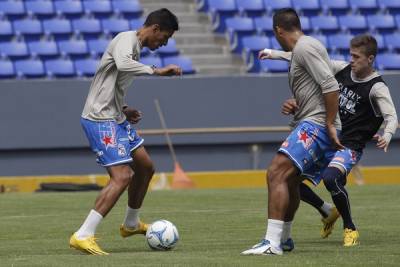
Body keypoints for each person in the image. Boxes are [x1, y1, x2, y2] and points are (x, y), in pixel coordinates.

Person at [69, 8, 182, 255]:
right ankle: (83, 234)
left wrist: (124, 108)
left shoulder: (136, 47)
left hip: (115, 117)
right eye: (164, 37)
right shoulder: (125, 40)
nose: (163, 43)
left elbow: (112, 82)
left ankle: (131, 224)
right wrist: (157, 70)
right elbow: (123, 64)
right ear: (155, 28)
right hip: (100, 120)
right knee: (122, 176)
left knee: (145, 167)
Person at [268, 34, 398, 247]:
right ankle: (327, 210)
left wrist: (387, 134)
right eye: (351, 55)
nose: (352, 60)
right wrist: (274, 54)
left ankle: (350, 228)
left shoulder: (377, 87)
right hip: (328, 138)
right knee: (289, 179)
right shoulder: (342, 69)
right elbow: (307, 56)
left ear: (370, 59)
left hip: (350, 145)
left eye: (357, 56)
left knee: (331, 178)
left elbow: (391, 116)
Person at [241, 8, 343, 256]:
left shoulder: (305, 48)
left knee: (275, 172)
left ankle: (271, 242)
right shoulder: (306, 47)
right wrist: (298, 101)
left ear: (278, 30)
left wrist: (329, 123)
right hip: (312, 120)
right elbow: (317, 76)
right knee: (290, 180)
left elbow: (330, 86)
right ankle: (284, 239)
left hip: (316, 124)